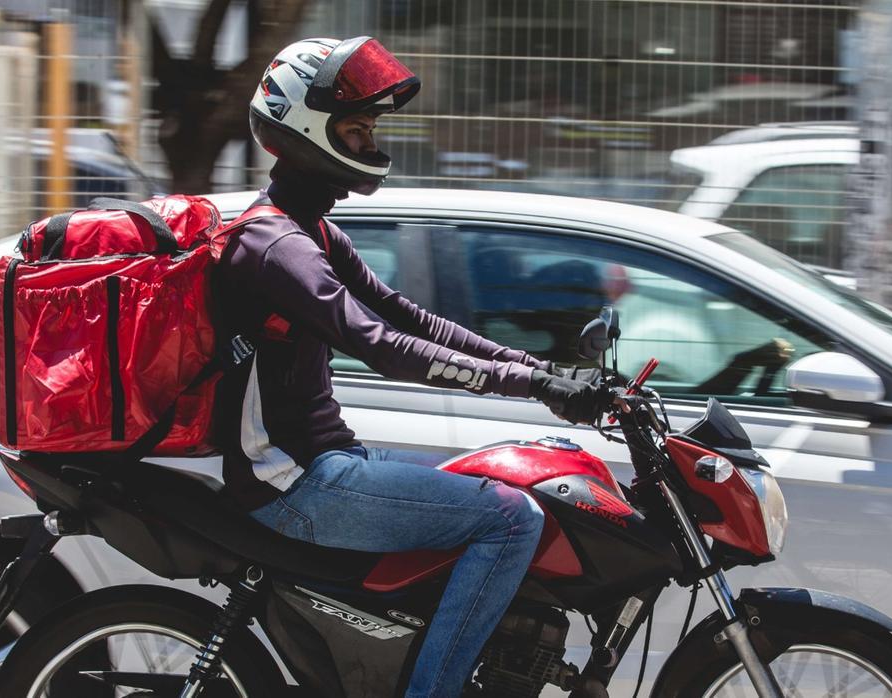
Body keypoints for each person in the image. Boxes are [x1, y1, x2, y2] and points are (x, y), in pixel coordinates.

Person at [215, 36, 603, 698]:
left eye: (369, 129)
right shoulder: (275, 243)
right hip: (294, 483)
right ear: (308, 129)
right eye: (357, 129)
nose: (370, 144)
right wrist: (532, 383)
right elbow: (381, 343)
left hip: (326, 464)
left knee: (526, 474)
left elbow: (414, 319)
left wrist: (546, 372)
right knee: (511, 518)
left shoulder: (311, 231)